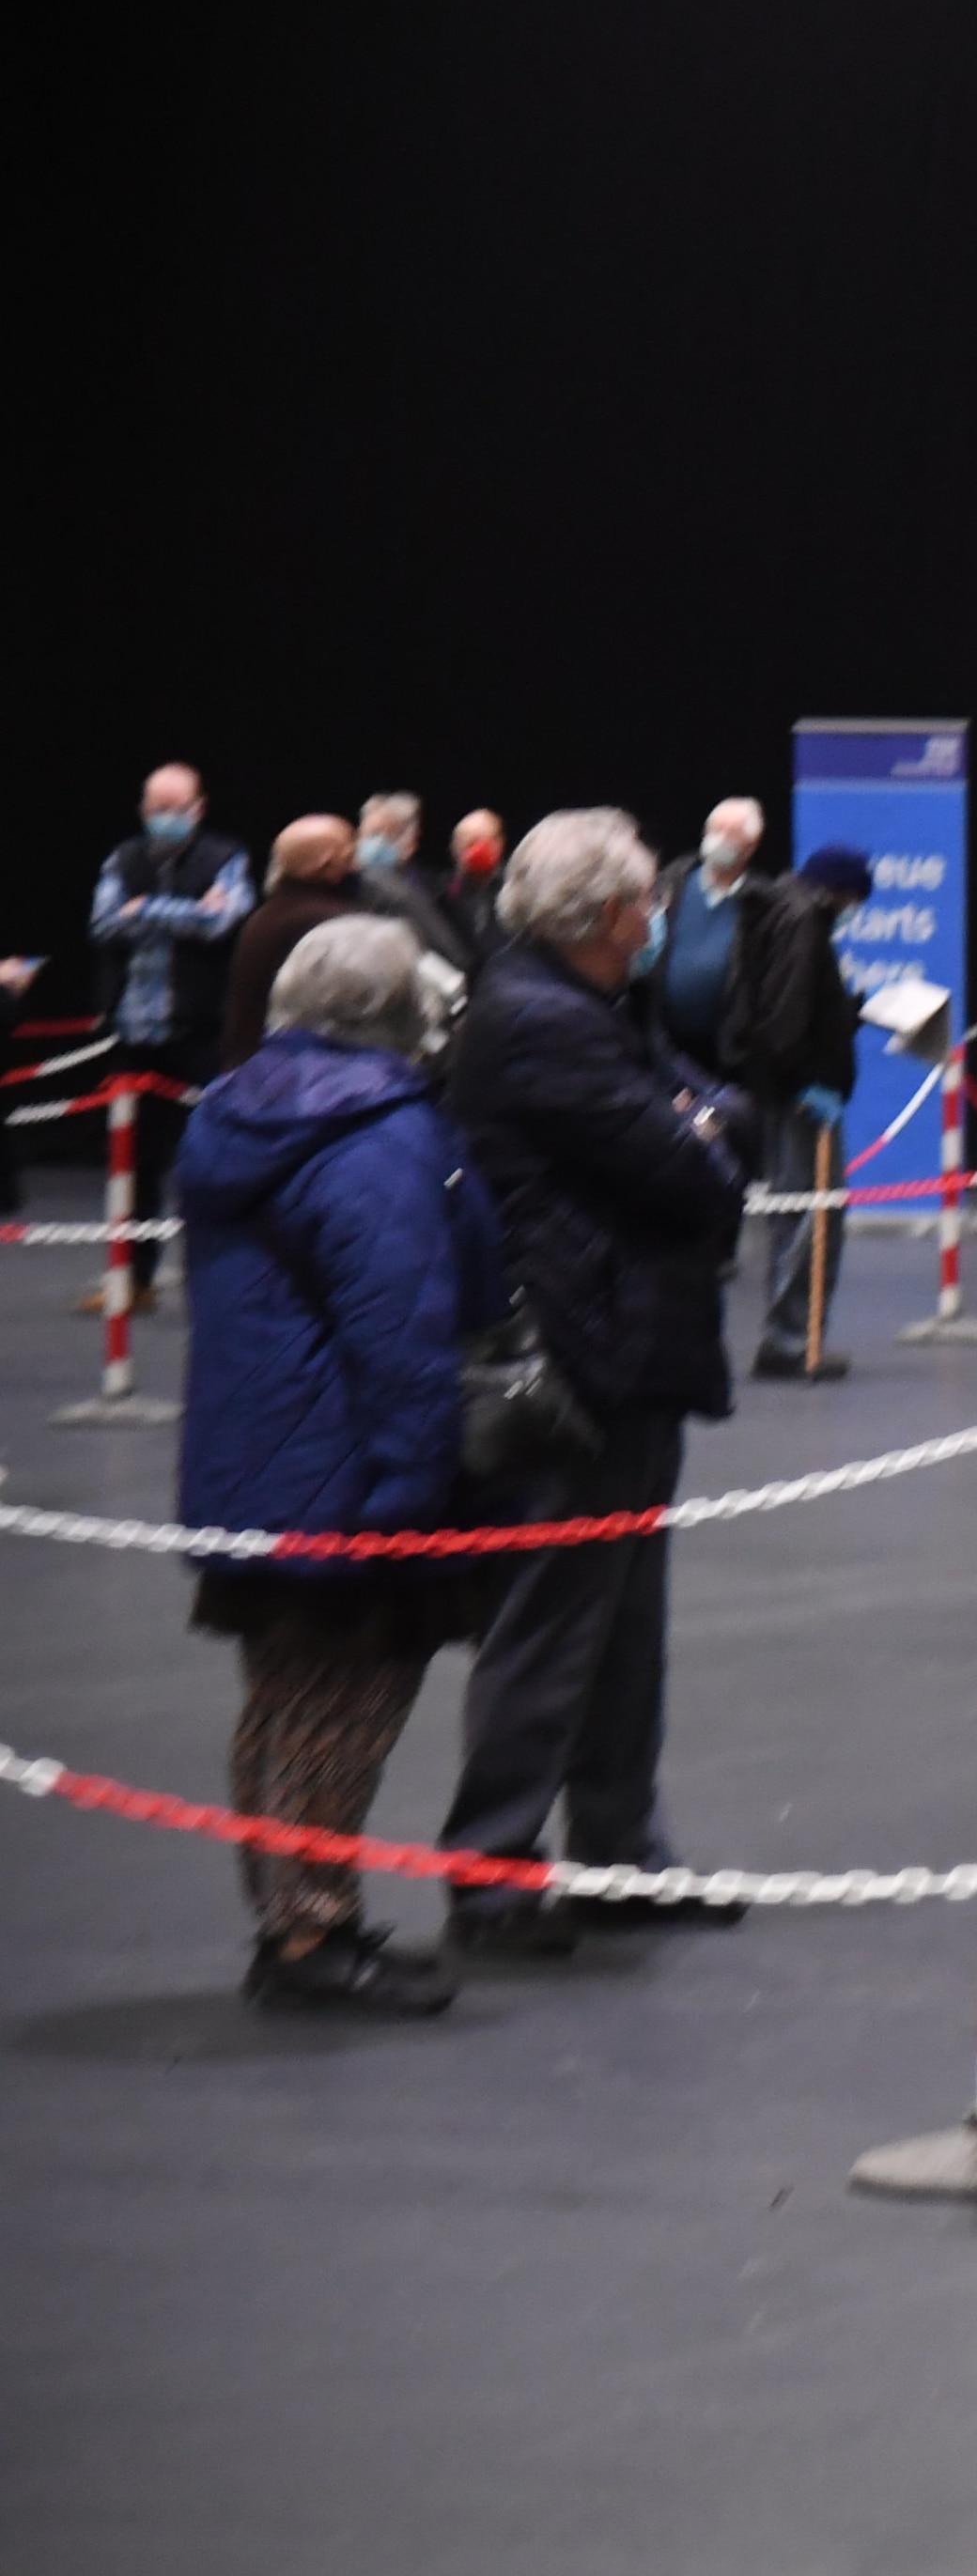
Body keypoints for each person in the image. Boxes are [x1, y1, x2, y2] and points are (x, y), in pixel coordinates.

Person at [175, 918, 503, 2017]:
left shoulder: (233, 1110)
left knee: (277, 1696)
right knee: (347, 1700)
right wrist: (412, 1487)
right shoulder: (379, 1134)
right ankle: (312, 1934)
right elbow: (400, 1324)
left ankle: (293, 1921)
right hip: (346, 1468)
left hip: (253, 1455)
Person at [440, 810, 755, 1951]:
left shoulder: (588, 1006)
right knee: (554, 1621)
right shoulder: (539, 1020)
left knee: (623, 1628)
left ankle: (621, 1854)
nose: (656, 913)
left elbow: (721, 1114)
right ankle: (492, 1870)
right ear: (603, 916)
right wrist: (701, 1129)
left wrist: (703, 1123)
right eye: (643, 900)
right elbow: (693, 1168)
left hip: (627, 1351)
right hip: (578, 1356)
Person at [86, 762, 254, 1310]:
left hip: (197, 1034)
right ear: (143, 809)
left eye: (175, 810)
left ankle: (216, 1280)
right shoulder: (122, 857)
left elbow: (224, 922)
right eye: (156, 809)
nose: (164, 819)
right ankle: (133, 1282)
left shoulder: (226, 857)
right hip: (132, 1034)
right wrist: (184, 911)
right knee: (131, 1167)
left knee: (210, 1161)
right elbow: (105, 923)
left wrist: (144, 909)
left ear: (198, 810)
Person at [721, 844, 876, 1378]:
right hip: (801, 1098)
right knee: (811, 1217)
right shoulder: (803, 922)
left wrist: (844, 1013)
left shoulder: (778, 911)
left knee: (799, 1214)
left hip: (787, 1089)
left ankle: (791, 1336)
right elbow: (786, 1013)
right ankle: (792, 1341)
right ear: (841, 891)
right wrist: (804, 1082)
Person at [220, 817, 374, 1076]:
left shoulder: (266, 915)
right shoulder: (332, 923)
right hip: (301, 1079)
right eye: (350, 856)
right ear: (325, 865)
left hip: (254, 1071)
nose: (358, 866)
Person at [644, 798, 766, 1076]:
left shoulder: (762, 903)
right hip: (663, 1041)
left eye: (729, 834)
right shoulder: (670, 883)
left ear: (750, 846)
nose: (717, 840)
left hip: (726, 1055)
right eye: (714, 831)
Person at [353, 792, 480, 975]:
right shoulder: (350, 888)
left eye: (380, 836)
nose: (370, 844)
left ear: (410, 842)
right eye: (366, 835)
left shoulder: (440, 888)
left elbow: (458, 955)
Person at [443, 810, 511, 964]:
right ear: (454, 848)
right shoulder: (440, 893)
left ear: (500, 843)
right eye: (471, 843)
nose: (479, 849)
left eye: (486, 842)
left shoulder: (518, 887)